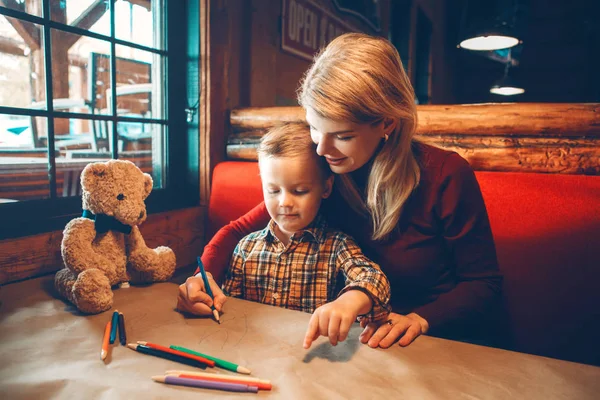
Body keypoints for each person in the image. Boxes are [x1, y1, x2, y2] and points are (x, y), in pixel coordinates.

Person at [177, 33, 503, 349]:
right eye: (315, 128)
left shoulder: (446, 175)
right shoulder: (323, 169)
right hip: (354, 346)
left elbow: (483, 284)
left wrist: (420, 319)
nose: (322, 149)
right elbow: (238, 230)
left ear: (387, 124)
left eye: (342, 135)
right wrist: (199, 280)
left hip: (436, 342)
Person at [178, 122, 391, 349]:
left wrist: (350, 300)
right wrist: (213, 302)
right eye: (273, 191)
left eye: (300, 191)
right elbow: (231, 311)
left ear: (326, 188)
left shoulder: (337, 246)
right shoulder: (246, 248)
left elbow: (375, 280)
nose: (285, 202)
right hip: (253, 351)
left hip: (311, 355)